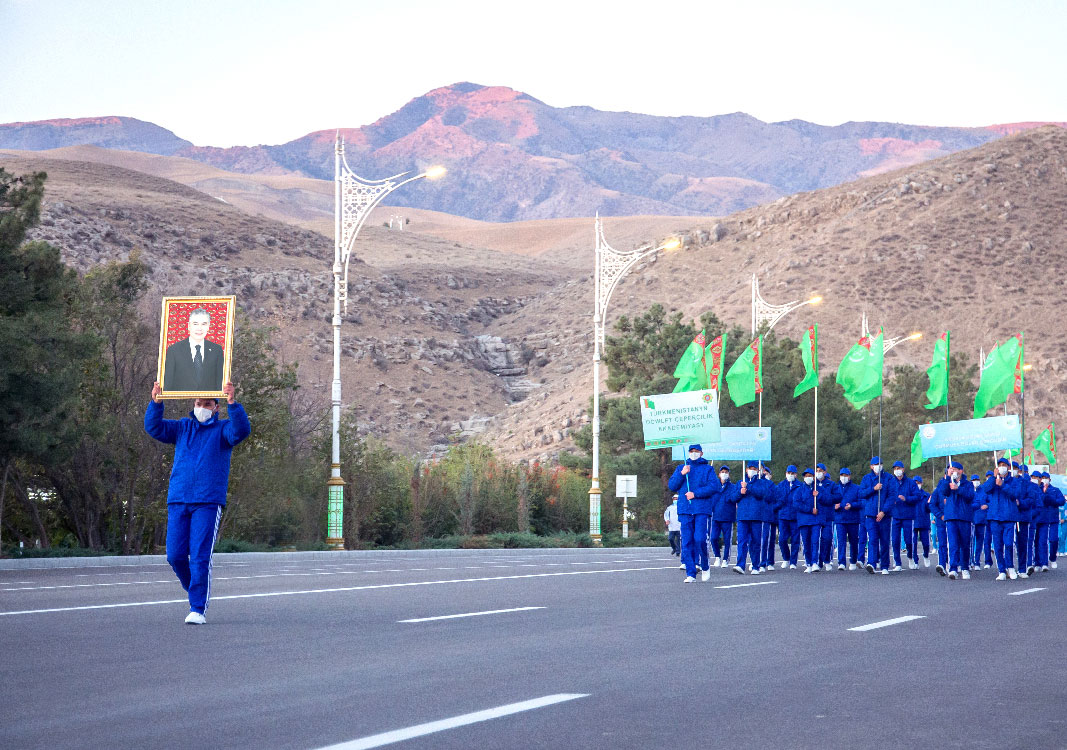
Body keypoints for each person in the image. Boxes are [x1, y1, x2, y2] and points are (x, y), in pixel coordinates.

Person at [144, 380, 250, 624]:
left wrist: (233, 403)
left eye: (208, 404)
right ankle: (195, 589)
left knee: (200, 556)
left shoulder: (223, 430)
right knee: (175, 556)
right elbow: (155, 428)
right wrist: (156, 402)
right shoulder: (183, 427)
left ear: (216, 407)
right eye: (199, 403)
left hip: (208, 502)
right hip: (179, 499)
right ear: (193, 404)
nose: (202, 407)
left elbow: (241, 431)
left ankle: (197, 608)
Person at [667, 444, 716, 582]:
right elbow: (672, 486)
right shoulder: (681, 468)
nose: (693, 453)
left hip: (701, 509)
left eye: (696, 451)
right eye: (691, 451)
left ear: (701, 453)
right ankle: (691, 573)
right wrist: (682, 474)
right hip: (685, 510)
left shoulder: (708, 469)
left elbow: (714, 486)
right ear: (688, 453)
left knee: (700, 539)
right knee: (687, 542)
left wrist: (696, 494)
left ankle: (705, 566)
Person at [163, 308, 225, 392]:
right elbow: (167, 385)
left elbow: (219, 384)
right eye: (195, 324)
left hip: (208, 403)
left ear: (208, 326)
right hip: (179, 403)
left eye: (204, 324)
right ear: (189, 326)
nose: (199, 328)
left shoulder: (217, 350)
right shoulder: (174, 350)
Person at [983, 456, 1023, 580]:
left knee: (1009, 543)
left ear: (1008, 467)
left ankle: (1010, 567)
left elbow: (1016, 494)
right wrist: (995, 478)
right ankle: (1001, 570)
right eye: (999, 465)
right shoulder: (994, 480)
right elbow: (985, 489)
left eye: (1004, 465)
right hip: (995, 517)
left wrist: (1003, 485)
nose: (1002, 467)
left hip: (1009, 516)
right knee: (998, 545)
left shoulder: (1014, 481)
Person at [938, 461, 976, 579]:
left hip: (964, 517)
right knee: (953, 544)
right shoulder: (948, 482)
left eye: (956, 469)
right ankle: (953, 568)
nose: (954, 471)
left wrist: (958, 488)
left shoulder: (968, 484)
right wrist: (947, 478)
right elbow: (943, 491)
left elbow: (970, 496)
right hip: (951, 517)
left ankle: (964, 567)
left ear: (961, 471)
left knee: (965, 544)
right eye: (951, 469)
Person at [732, 460, 770, 574]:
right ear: (746, 469)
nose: (751, 470)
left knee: (756, 542)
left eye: (754, 468)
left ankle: (755, 566)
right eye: (750, 468)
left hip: (756, 516)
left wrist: (748, 487)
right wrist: (740, 492)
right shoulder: (740, 482)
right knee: (742, 541)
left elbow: (761, 494)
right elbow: (733, 498)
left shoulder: (761, 482)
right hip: (743, 516)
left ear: (758, 471)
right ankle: (740, 565)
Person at [860, 457, 894, 575]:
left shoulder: (889, 478)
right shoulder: (867, 478)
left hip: (885, 515)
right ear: (871, 466)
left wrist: (883, 511)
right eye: (875, 464)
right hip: (870, 514)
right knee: (873, 539)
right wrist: (873, 488)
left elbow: (892, 496)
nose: (877, 466)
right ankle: (872, 563)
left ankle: (885, 565)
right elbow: (862, 493)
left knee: (884, 540)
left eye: (879, 464)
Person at [887, 460, 918, 570]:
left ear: (903, 469)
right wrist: (891, 501)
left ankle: (910, 557)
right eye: (895, 469)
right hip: (894, 515)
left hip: (908, 515)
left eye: (899, 468)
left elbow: (917, 497)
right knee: (895, 540)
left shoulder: (911, 483)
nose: (897, 471)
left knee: (909, 540)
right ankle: (897, 562)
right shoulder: (890, 482)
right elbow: (886, 496)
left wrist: (906, 499)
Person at [1033, 472, 1065, 572]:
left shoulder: (1055, 490)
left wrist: (1050, 497)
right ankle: (1039, 562)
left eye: (1046, 478)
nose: (1044, 479)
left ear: (1050, 480)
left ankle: (1052, 558)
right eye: (1042, 478)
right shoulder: (1037, 489)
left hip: (1053, 519)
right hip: (1041, 518)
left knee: (1054, 539)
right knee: (1039, 541)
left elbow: (1061, 501)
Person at [793, 468, 822, 573]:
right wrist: (810, 510)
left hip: (816, 520)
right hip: (804, 520)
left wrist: (819, 495)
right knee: (806, 542)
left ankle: (815, 562)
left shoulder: (818, 488)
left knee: (815, 541)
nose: (808, 477)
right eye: (806, 476)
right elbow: (796, 503)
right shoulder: (799, 489)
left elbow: (828, 500)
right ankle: (808, 563)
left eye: (810, 475)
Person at [833, 468, 861, 570]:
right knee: (841, 541)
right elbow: (830, 502)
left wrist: (852, 505)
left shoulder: (856, 488)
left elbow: (861, 502)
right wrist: (834, 506)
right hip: (840, 519)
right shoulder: (835, 488)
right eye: (842, 475)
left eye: (846, 475)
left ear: (850, 476)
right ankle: (841, 562)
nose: (844, 477)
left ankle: (853, 561)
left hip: (853, 519)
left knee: (854, 541)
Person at [710, 465, 736, 569]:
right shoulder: (714, 486)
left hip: (727, 517)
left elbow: (734, 498)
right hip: (715, 516)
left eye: (726, 471)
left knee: (727, 539)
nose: (724, 473)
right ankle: (717, 556)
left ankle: (725, 559)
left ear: (728, 474)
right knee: (713, 538)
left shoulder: (732, 487)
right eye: (722, 471)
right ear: (719, 474)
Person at [776, 465, 801, 569]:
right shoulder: (781, 485)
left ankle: (793, 562)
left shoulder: (800, 486)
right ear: (786, 473)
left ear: (796, 474)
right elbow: (776, 499)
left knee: (795, 540)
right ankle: (786, 558)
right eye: (789, 473)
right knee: (782, 539)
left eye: (792, 473)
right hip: (783, 516)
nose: (790, 475)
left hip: (795, 517)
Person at [813, 463, 837, 571]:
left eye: (820, 470)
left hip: (828, 516)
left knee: (827, 539)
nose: (818, 472)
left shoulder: (831, 485)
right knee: (816, 539)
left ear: (825, 472)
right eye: (817, 470)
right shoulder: (813, 485)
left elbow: (837, 497)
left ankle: (827, 559)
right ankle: (816, 561)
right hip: (816, 517)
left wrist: (821, 496)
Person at [971, 473, 993, 569]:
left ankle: (977, 562)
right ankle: (970, 561)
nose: (976, 481)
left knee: (980, 542)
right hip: (971, 520)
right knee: (970, 542)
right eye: (974, 480)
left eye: (977, 479)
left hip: (982, 520)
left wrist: (987, 505)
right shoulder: (969, 491)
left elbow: (990, 501)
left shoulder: (984, 491)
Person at [759, 464, 778, 572]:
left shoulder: (770, 484)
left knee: (766, 540)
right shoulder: (747, 482)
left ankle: (766, 562)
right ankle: (755, 561)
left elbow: (773, 498)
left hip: (767, 515)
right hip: (754, 516)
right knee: (754, 540)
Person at [911, 475, 932, 567]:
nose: (917, 485)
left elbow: (929, 509)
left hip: (924, 522)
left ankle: (926, 555)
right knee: (913, 543)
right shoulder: (910, 495)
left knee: (926, 543)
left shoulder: (926, 495)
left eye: (918, 483)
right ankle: (915, 561)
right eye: (915, 483)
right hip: (913, 521)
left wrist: (929, 504)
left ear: (921, 483)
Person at [665, 495, 681, 559]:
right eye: (674, 499)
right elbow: (666, 515)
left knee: (678, 540)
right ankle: (674, 548)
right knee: (670, 538)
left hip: (679, 526)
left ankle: (678, 552)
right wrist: (667, 520)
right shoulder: (669, 508)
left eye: (677, 499)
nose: (675, 500)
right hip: (672, 526)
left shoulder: (681, 507)